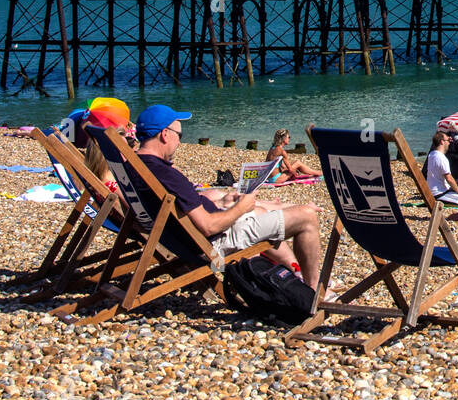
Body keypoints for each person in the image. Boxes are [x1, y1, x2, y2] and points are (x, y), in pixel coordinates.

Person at [132, 105, 324, 291]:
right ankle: (311, 292)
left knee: (262, 210)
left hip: (184, 243)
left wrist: (224, 202)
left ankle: (293, 272)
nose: (180, 142)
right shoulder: (165, 173)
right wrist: (241, 207)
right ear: (165, 134)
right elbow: (209, 226)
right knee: (306, 216)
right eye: (179, 136)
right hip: (214, 246)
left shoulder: (137, 166)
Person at [426, 131, 458, 206]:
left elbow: (443, 149)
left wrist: (447, 139)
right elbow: (449, 178)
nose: (449, 143)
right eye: (447, 141)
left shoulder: (432, 154)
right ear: (442, 142)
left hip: (433, 192)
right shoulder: (442, 158)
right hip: (440, 194)